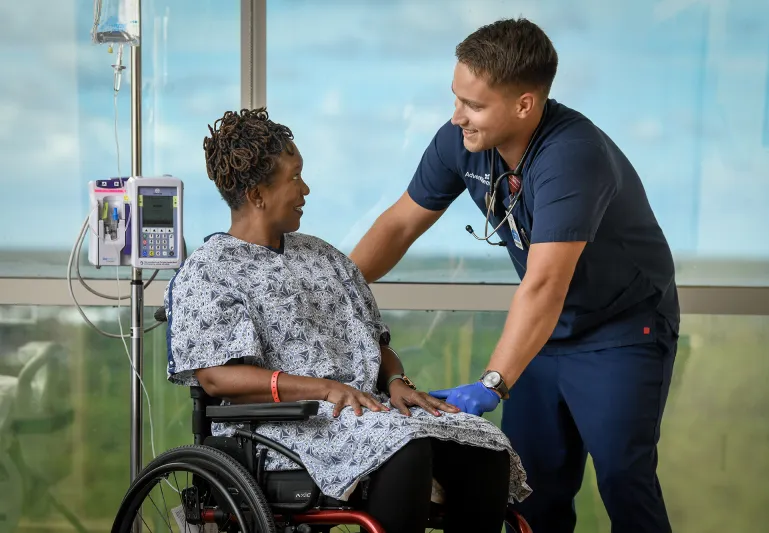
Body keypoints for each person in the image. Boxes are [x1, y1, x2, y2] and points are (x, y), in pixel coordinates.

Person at [349, 17, 680, 533]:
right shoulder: (461, 141)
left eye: (473, 105)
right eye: (456, 98)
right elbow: (398, 225)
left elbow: (545, 283)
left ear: (524, 104)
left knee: (623, 482)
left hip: (620, 331)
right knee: (532, 489)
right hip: (547, 337)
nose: (457, 116)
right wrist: (332, 286)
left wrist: (494, 382)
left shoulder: (573, 156)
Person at [163, 108, 531, 533]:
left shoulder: (324, 257)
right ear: (257, 193)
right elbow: (216, 379)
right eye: (294, 177)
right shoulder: (209, 270)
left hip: (362, 413)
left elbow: (373, 342)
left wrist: (396, 383)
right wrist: (323, 388)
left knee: (482, 445)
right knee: (405, 449)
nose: (305, 188)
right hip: (282, 425)